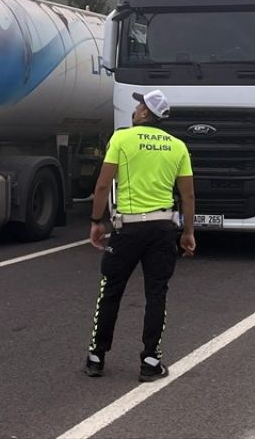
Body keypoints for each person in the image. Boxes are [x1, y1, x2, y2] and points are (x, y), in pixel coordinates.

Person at [85, 89, 196, 382]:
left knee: (111, 290)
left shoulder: (121, 139)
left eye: (138, 106)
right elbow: (188, 196)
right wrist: (187, 232)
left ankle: (97, 356)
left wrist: (97, 221)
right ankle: (150, 361)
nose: (134, 110)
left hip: (128, 228)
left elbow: (101, 186)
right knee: (156, 293)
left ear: (146, 113)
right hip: (163, 229)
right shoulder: (178, 146)